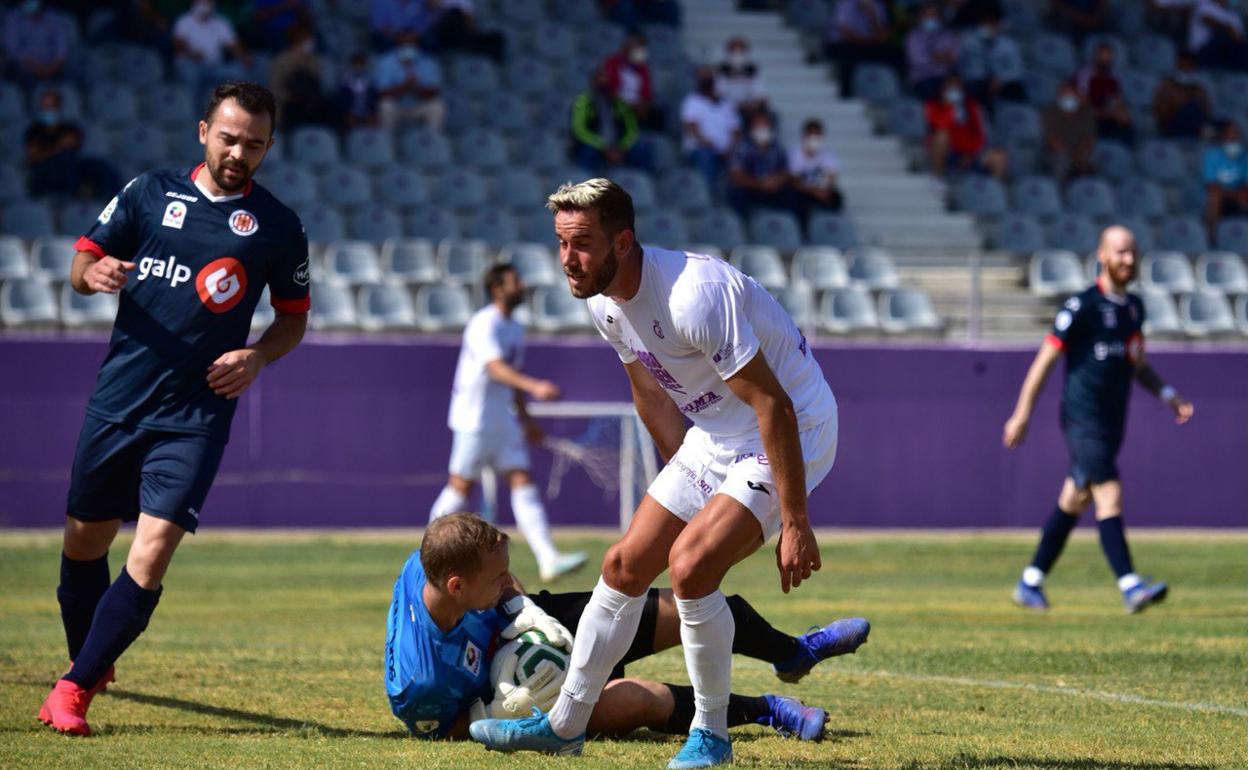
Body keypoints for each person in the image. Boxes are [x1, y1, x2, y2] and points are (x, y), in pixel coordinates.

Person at [470, 178, 841, 769]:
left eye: (582, 244)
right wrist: (682, 483)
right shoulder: (603, 304)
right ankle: (565, 725)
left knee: (691, 567)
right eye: (562, 243)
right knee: (622, 566)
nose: (568, 260)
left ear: (624, 241)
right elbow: (648, 389)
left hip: (792, 429)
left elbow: (776, 407)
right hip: (717, 435)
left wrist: (794, 520)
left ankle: (712, 736)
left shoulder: (694, 295)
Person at [37, 81, 311, 737]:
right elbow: (82, 260)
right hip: (119, 401)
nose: (239, 151)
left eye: (254, 142)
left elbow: (293, 320)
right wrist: (92, 275)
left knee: (152, 551)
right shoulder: (149, 193)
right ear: (203, 131)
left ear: (269, 146)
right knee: (85, 542)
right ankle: (90, 661)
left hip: (196, 413)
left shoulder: (277, 226)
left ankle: (72, 691)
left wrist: (257, 357)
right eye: (229, 136)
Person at [386, 512, 869, 741]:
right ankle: (772, 711)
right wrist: (507, 705)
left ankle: (792, 652)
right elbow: (442, 734)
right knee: (643, 699)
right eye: (496, 578)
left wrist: (521, 610)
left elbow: (501, 579)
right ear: (455, 587)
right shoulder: (421, 680)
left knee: (690, 608)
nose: (506, 579)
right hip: (513, 691)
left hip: (521, 626)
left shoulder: (435, 563)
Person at [1004, 225, 1193, 615]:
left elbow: (1136, 364)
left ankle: (1030, 581)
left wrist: (1168, 395)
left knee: (1075, 498)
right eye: (1120, 252)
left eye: (1132, 252)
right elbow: (1045, 360)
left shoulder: (1134, 308)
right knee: (1109, 491)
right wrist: (1022, 413)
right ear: (1102, 256)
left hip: (1112, 422)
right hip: (1081, 418)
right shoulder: (1082, 307)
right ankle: (1130, 585)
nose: (1127, 259)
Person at [429, 264, 587, 583]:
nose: (523, 284)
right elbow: (496, 368)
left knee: (522, 480)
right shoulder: (482, 323)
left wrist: (526, 418)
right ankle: (426, 554)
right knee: (461, 485)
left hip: (503, 419)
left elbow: (509, 380)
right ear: (497, 288)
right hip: (474, 419)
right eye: (516, 280)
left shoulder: (514, 328)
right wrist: (535, 386)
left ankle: (548, 558)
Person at [23, 89, 121, 200]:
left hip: (72, 165)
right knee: (64, 160)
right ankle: (71, 196)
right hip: (45, 169)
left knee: (102, 167)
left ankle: (111, 201)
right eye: (45, 106)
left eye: (51, 106)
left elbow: (74, 145)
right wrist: (57, 148)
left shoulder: (68, 126)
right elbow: (33, 157)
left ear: (58, 107)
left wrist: (56, 148)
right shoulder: (34, 130)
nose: (48, 110)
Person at [925, 75, 1009, 179]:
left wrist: (969, 154)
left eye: (957, 87)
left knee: (999, 158)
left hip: (970, 151)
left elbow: (980, 133)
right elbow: (939, 125)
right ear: (943, 89)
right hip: (948, 152)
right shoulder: (932, 105)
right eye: (950, 87)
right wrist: (949, 107)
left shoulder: (972, 106)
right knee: (941, 136)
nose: (954, 90)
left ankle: (992, 190)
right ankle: (937, 178)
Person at [571, 69, 653, 175]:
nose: (603, 83)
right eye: (600, 79)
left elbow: (632, 129)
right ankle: (587, 185)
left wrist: (621, 147)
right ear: (593, 82)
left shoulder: (620, 103)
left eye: (606, 80)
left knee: (641, 149)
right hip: (595, 144)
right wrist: (603, 146)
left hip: (618, 146)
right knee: (587, 152)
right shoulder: (582, 102)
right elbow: (579, 130)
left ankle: (639, 182)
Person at [725, 112, 799, 220]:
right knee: (738, 193)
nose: (762, 129)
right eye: (758, 126)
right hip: (752, 188)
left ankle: (790, 226)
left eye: (765, 125)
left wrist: (777, 181)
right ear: (751, 129)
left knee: (792, 193)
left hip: (772, 188)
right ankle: (742, 228)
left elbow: (787, 171)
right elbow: (735, 175)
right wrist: (759, 184)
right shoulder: (742, 146)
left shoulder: (776, 146)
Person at [825, 0, 901, 100]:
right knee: (848, 56)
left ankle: (894, 91)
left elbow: (883, 34)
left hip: (868, 43)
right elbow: (844, 32)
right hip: (844, 43)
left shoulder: (877, 6)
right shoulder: (845, 5)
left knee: (893, 53)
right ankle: (846, 93)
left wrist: (872, 15)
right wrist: (867, 42)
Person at [679, 66, 740, 190]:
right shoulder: (692, 101)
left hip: (727, 151)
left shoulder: (727, 104)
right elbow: (691, 128)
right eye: (704, 78)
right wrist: (712, 146)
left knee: (742, 157)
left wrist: (730, 148)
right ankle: (707, 195)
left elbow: (736, 130)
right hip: (701, 149)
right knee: (706, 155)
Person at [374, 32, 446, 131]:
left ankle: (432, 140)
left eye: (411, 44)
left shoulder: (428, 62)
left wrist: (416, 87)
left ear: (417, 46)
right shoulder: (386, 62)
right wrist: (405, 86)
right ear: (397, 45)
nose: (407, 47)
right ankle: (387, 141)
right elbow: (382, 93)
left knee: (437, 106)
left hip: (419, 105)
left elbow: (434, 92)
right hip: (397, 105)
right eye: (404, 44)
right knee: (385, 105)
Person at [602, 31, 664, 131]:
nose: (641, 51)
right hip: (618, 105)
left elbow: (647, 94)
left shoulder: (643, 68)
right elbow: (610, 90)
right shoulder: (612, 63)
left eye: (643, 47)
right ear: (627, 47)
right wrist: (630, 106)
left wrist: (644, 106)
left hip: (638, 107)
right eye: (638, 47)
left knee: (658, 114)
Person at [3, 0, 71, 88]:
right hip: (24, 69)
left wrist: (53, 67)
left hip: (53, 68)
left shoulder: (53, 17)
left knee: (65, 78)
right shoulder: (12, 18)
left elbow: (62, 46)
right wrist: (37, 68)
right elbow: (13, 50)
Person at [1075, 42, 1134, 144]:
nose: (1104, 59)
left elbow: (1117, 100)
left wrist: (1119, 112)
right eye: (1102, 55)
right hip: (1089, 112)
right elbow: (1083, 100)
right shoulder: (1084, 74)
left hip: (1108, 113)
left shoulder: (1116, 75)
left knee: (1126, 118)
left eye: (1108, 56)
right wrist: (1104, 112)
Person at [788, 119, 845, 219]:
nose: (814, 139)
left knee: (836, 197)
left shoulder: (828, 156)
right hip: (802, 191)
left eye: (817, 135)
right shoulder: (795, 154)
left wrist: (822, 190)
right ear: (804, 136)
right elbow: (794, 180)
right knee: (794, 197)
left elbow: (831, 178)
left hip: (818, 190)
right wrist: (813, 191)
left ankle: (829, 224)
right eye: (811, 135)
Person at [1042, 80, 1097, 182]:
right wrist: (1070, 155)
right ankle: (1059, 190)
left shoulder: (1086, 112)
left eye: (1070, 94)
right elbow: (1052, 140)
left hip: (1079, 152)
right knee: (1062, 160)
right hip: (1055, 154)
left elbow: (1089, 139)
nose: (1068, 97)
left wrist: (1080, 153)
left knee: (1093, 159)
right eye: (1064, 94)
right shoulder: (1050, 112)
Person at [905, 2, 961, 101]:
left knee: (956, 90)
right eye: (928, 15)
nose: (931, 18)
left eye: (934, 15)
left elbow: (955, 55)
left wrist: (936, 57)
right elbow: (917, 60)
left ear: (939, 17)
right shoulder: (913, 36)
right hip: (923, 78)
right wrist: (937, 58)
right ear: (921, 17)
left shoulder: (948, 34)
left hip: (945, 77)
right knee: (930, 90)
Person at [1201, 120, 1248, 237]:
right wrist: (1233, 194)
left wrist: (1240, 194)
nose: (1234, 138)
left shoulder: (1245, 156)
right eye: (1231, 135)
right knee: (1215, 198)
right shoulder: (1212, 155)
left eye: (1236, 135)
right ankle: (1212, 239)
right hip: (1222, 195)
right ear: (1223, 137)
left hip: (1240, 194)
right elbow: (1212, 186)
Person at [1153, 52, 1213, 140]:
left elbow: (1206, 113)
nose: (1185, 68)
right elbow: (1161, 115)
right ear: (1177, 66)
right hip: (1173, 126)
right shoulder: (1166, 86)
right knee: (1190, 108)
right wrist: (1177, 102)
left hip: (1196, 128)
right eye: (1183, 65)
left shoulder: (1198, 89)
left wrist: (1193, 96)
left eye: (1189, 66)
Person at [715, 37, 769, 125]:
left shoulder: (753, 70)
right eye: (734, 51)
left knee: (765, 117)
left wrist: (753, 105)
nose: (737, 54)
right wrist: (737, 106)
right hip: (729, 109)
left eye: (740, 51)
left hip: (750, 109)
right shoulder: (722, 70)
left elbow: (760, 93)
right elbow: (720, 93)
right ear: (728, 52)